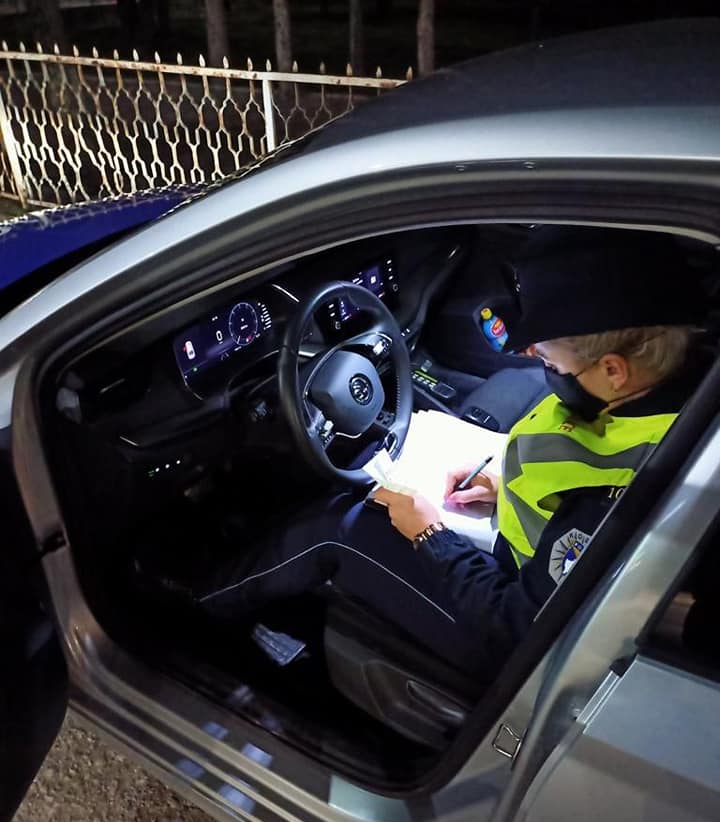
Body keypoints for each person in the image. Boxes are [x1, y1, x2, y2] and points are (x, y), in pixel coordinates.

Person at [191, 228, 709, 679]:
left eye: (551, 358)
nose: (534, 355)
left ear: (614, 370)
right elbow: (570, 491)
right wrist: (505, 489)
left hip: (517, 634)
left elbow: (518, 625)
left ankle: (194, 608)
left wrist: (429, 533)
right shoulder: (687, 394)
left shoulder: (622, 485)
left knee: (337, 527)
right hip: (537, 559)